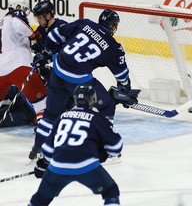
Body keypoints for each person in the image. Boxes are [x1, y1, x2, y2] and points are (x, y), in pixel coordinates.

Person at [28, 9, 138, 159]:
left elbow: (54, 36)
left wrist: (47, 52)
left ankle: (38, 148)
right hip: (78, 81)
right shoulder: (113, 47)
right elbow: (122, 75)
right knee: (107, 105)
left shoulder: (85, 23)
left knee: (51, 115)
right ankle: (105, 148)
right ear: (113, 26)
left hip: (58, 72)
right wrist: (125, 89)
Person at [28, 84, 123, 206]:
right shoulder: (97, 118)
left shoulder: (61, 117)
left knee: (40, 199)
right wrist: (103, 154)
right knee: (111, 191)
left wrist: (43, 166)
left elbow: (47, 150)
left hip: (58, 167)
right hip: (87, 165)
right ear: (93, 99)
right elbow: (115, 147)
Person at [0, 0, 47, 127]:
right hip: (19, 67)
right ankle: (43, 131)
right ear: (18, 6)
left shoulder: (2, 22)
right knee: (41, 100)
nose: (24, 13)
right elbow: (20, 25)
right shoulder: (16, 14)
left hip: (1, 71)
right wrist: (35, 35)